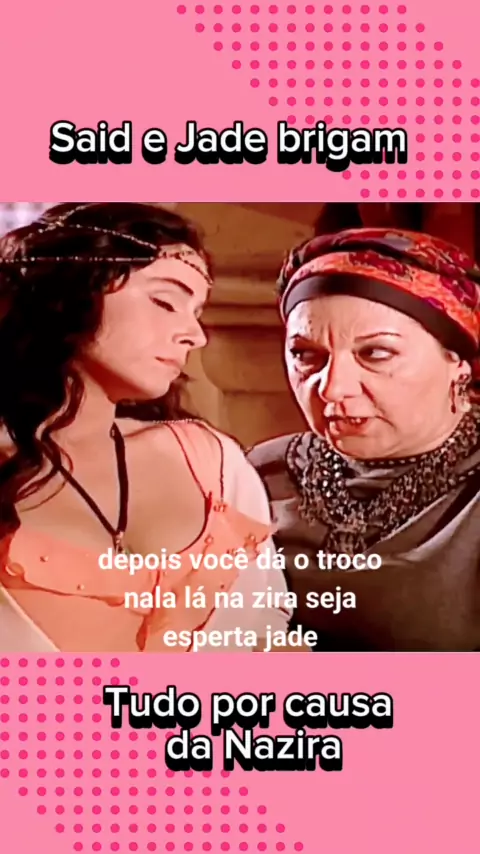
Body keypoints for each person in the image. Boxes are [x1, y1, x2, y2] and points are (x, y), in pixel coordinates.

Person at [0, 202, 291, 653]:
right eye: (165, 302)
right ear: (72, 293)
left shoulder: (213, 463)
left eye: (196, 311)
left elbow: (265, 633)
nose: (196, 335)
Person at [248, 227, 480, 651]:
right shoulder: (257, 473)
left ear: (457, 363)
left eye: (375, 353)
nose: (332, 388)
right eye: (305, 355)